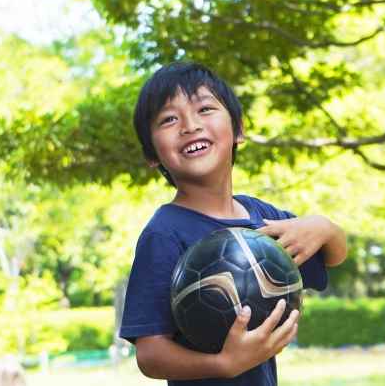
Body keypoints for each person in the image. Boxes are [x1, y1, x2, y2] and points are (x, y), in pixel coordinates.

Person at [119, 62, 347, 386]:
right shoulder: (164, 233)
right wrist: (223, 364)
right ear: (152, 154)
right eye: (169, 119)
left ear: (238, 129)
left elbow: (333, 256)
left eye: (205, 109)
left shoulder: (262, 219)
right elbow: (150, 354)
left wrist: (325, 227)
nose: (189, 125)